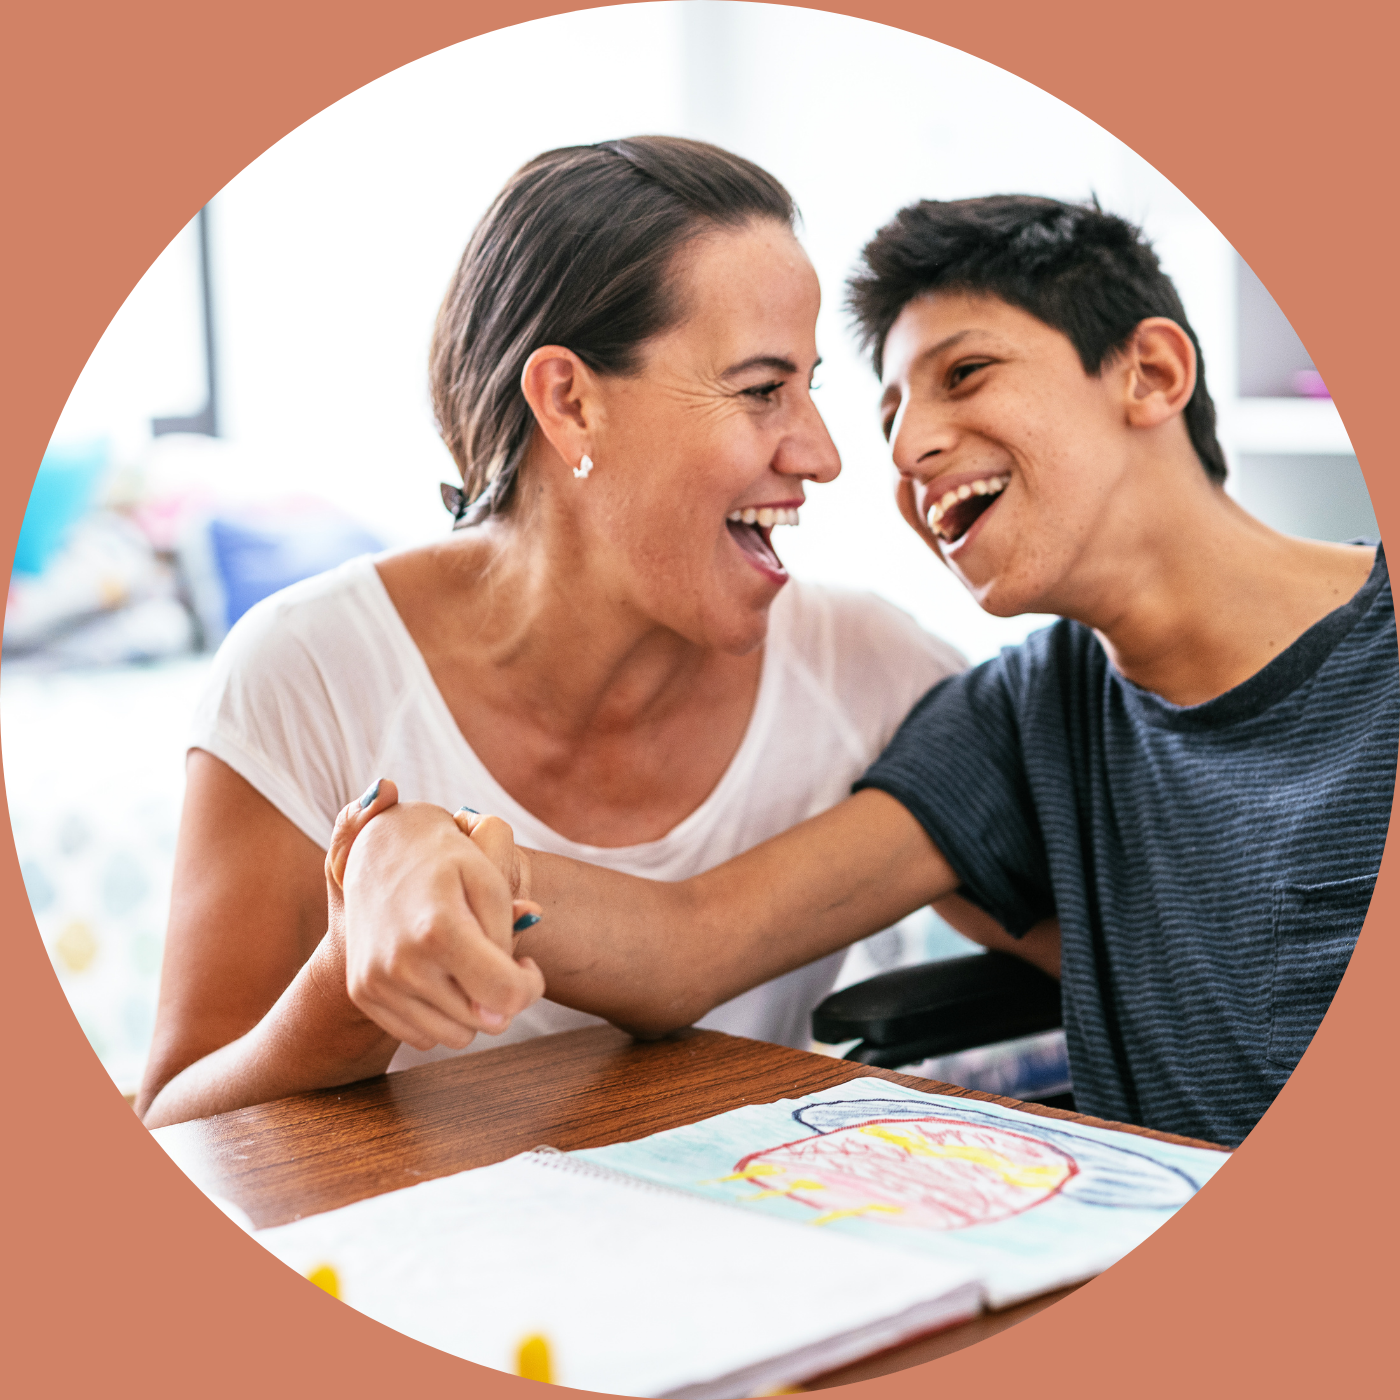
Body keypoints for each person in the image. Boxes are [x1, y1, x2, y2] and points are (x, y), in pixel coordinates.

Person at [334, 195, 1395, 1149]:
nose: (905, 450)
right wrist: (422, 849)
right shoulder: (1024, 718)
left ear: (1149, 373)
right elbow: (688, 940)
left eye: (964, 374)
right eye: (889, 419)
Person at [136, 138, 1002, 1129]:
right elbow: (173, 1126)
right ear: (568, 400)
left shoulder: (867, 669)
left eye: (810, 386)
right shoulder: (306, 669)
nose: (823, 453)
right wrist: (350, 978)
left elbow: (1082, 920)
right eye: (762, 388)